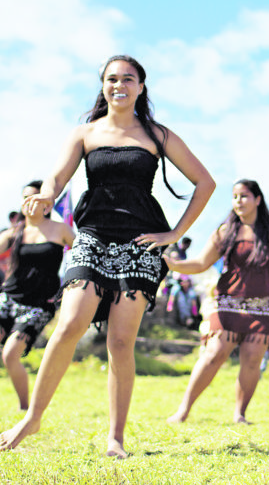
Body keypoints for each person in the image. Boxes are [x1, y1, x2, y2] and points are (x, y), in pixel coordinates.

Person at [0, 55, 215, 457]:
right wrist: (46, 195)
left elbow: (205, 182)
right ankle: (32, 418)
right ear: (103, 86)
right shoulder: (85, 133)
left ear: (141, 87)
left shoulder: (157, 135)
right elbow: (57, 179)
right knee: (69, 324)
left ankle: (116, 438)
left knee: (120, 341)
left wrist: (175, 233)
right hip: (93, 236)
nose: (119, 85)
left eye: (127, 79)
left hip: (140, 244)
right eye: (111, 79)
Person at [166, 180, 269, 424]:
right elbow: (201, 263)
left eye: (244, 196)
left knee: (253, 360)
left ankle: (240, 414)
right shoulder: (225, 232)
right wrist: (173, 264)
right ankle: (183, 410)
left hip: (263, 306)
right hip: (228, 303)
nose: (238, 201)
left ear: (257, 200)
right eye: (234, 197)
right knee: (214, 354)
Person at [0, 181, 75, 411]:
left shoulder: (60, 229)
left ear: (46, 203)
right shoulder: (16, 232)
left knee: (10, 355)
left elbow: (83, 256)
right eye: (25, 198)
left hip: (39, 304)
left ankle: (26, 408)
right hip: (8, 297)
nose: (29, 202)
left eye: (34, 197)